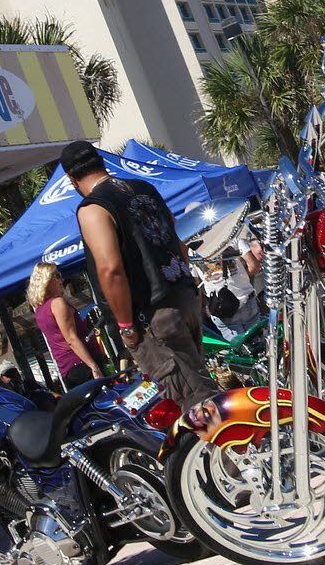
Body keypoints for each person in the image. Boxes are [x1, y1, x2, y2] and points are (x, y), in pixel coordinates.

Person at [59, 140, 216, 409]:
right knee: (198, 385)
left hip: (153, 316)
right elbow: (178, 243)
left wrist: (126, 326)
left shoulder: (93, 208)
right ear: (101, 163)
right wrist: (190, 285)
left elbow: (110, 269)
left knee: (195, 407)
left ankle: (240, 448)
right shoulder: (145, 189)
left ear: (72, 179)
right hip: (182, 296)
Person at [27, 262, 105, 388]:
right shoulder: (57, 303)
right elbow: (71, 339)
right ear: (47, 280)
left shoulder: (40, 311)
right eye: (57, 276)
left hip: (67, 368)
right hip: (81, 364)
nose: (61, 280)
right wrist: (94, 367)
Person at [193, 239, 262, 341]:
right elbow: (254, 266)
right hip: (246, 299)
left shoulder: (192, 250)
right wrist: (240, 280)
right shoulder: (234, 238)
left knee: (241, 351)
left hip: (222, 308)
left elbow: (196, 283)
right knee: (259, 345)